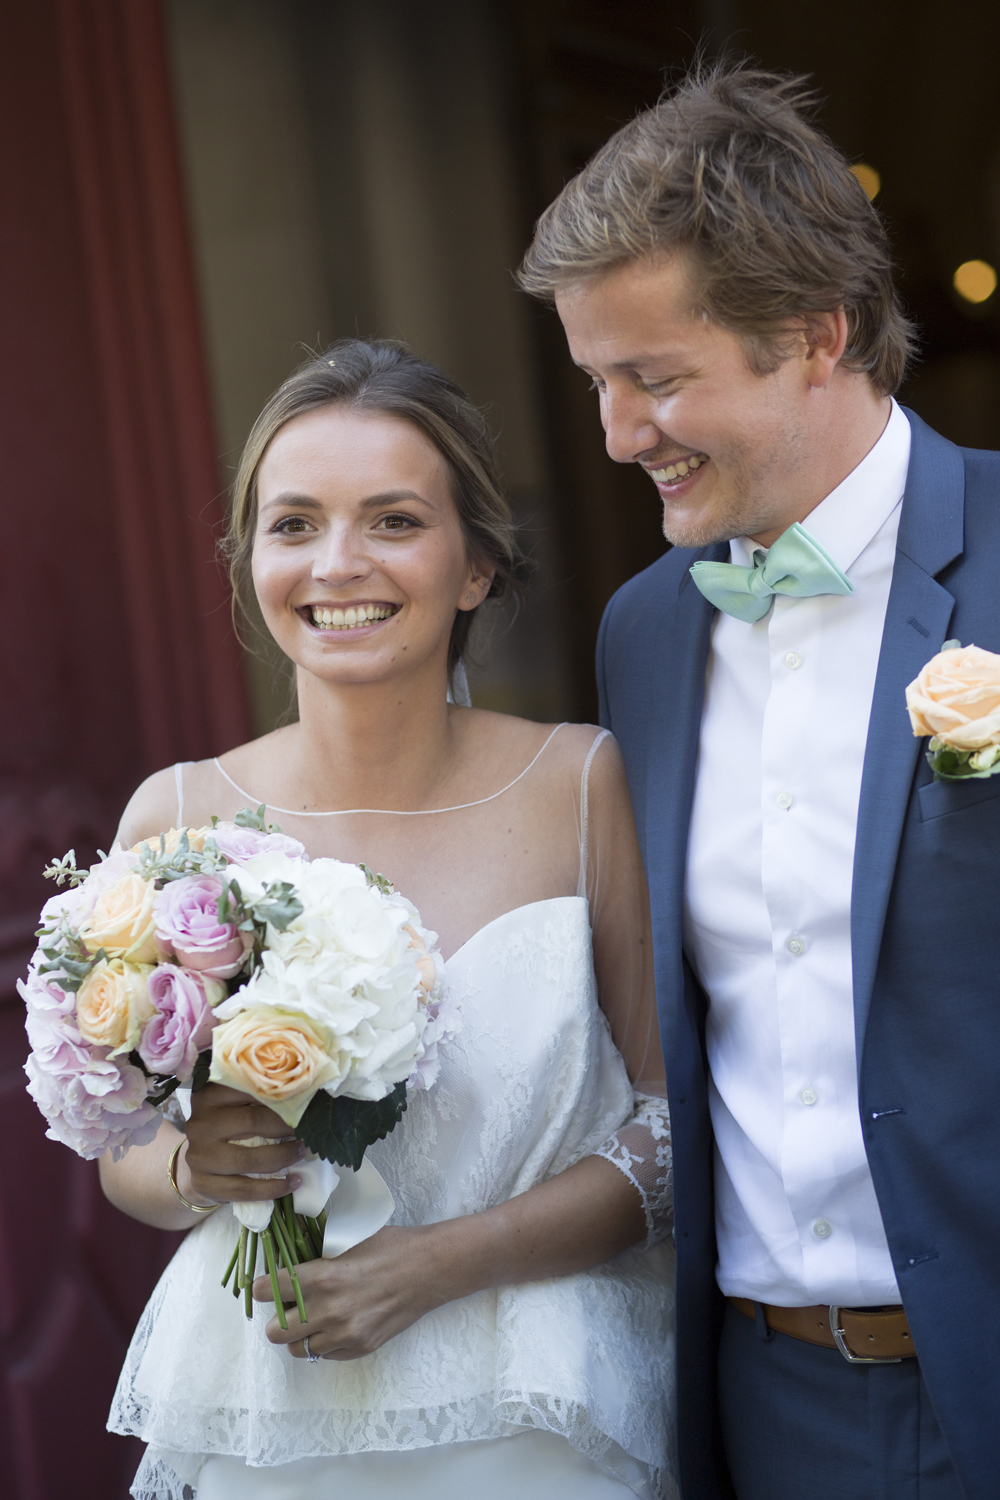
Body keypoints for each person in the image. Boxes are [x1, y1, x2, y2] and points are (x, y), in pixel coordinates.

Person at [519, 60, 1000, 1500]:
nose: (615, 434)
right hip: (769, 1407)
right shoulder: (646, 633)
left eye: (655, 378)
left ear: (816, 334)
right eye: (596, 382)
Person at [99, 339, 675, 1500]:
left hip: (535, 1412)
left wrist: (445, 1265)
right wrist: (199, 1169)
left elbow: (668, 1135)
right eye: (295, 523)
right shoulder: (174, 814)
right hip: (267, 1408)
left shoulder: (578, 785)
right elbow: (125, 1154)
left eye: (395, 521)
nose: (338, 563)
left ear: (474, 568)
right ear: (250, 559)